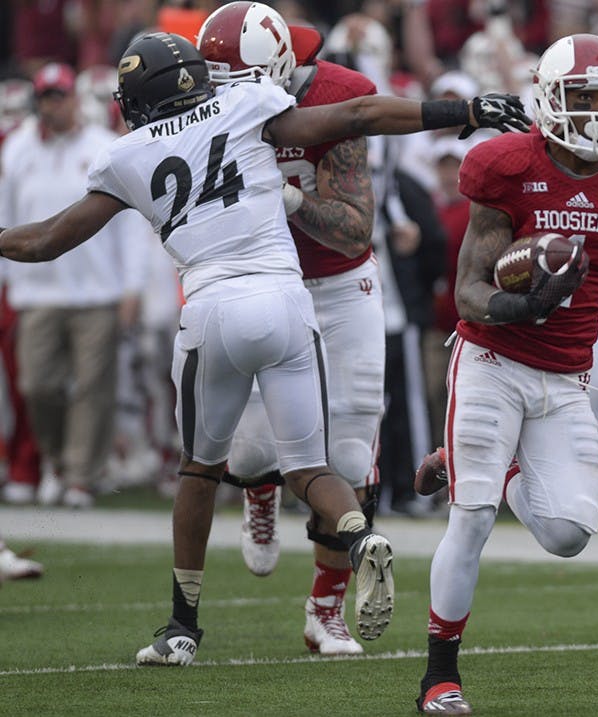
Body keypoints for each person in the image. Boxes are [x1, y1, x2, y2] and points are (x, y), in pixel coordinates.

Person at [0, 31, 529, 666]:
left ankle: (181, 627)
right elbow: (359, 115)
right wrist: (464, 112)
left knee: (199, 470)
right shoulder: (247, 104)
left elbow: (48, 240)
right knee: (311, 468)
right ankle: (360, 539)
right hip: (287, 304)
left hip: (214, 311)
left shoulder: (126, 154)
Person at [413, 34, 598, 714]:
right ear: (548, 97)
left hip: (568, 378)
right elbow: (470, 287)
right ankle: (440, 674)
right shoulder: (504, 164)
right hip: (492, 360)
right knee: (470, 518)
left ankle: (501, 468)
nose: (595, 112)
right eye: (582, 97)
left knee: (567, 535)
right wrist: (521, 305)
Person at [195, 1, 385, 657]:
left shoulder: (336, 98)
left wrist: (290, 196)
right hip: (253, 284)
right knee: (247, 455)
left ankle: (324, 610)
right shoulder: (198, 107)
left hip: (338, 284)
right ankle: (261, 491)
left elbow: (356, 227)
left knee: (353, 458)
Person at [0, 62, 146, 509]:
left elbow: (130, 224)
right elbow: (6, 220)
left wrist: (131, 287)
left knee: (91, 387)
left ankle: (81, 476)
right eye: (45, 98)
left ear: (74, 99)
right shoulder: (17, 150)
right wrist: (7, 281)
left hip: (96, 290)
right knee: (37, 384)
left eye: (59, 97)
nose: (52, 106)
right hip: (35, 290)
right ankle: (58, 462)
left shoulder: (105, 148)